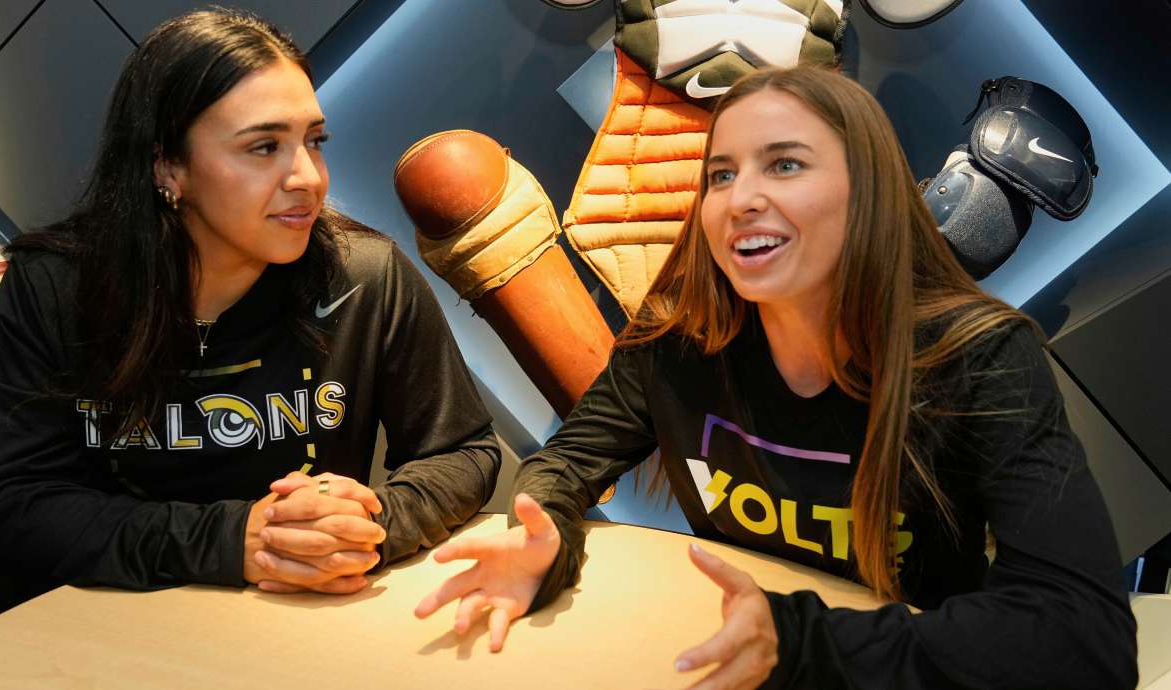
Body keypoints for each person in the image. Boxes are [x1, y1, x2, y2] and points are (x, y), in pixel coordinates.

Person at [414, 65, 1138, 689]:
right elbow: (567, 465)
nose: (741, 197)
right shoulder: (676, 339)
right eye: (721, 174)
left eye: (785, 164)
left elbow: (1087, 636)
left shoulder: (980, 357)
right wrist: (544, 532)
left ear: (870, 193)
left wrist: (805, 646)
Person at [0, 9, 499, 608]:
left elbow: (462, 450)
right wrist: (234, 540)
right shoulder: (57, 286)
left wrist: (366, 528)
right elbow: (7, 508)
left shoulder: (365, 276)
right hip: (88, 628)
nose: (307, 177)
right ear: (168, 167)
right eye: (264, 146)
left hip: (290, 627)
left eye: (313, 141)